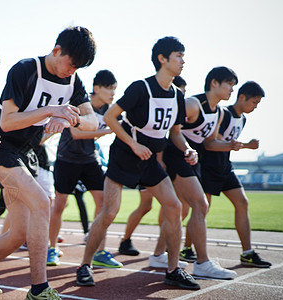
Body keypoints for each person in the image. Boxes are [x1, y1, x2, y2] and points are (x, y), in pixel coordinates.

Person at [0, 26, 98, 299]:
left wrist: (70, 117)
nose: (73, 70)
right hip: (0, 146)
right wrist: (51, 110)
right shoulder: (25, 70)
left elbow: (92, 120)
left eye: (79, 67)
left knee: (19, 232)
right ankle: (39, 290)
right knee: (43, 202)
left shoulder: (74, 81)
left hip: (28, 151)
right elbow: (7, 121)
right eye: (72, 63)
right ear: (57, 51)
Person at [76, 36, 201, 290]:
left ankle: (173, 269)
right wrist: (133, 144)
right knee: (109, 212)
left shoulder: (178, 96)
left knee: (174, 206)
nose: (183, 61)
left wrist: (188, 149)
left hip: (149, 160)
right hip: (125, 154)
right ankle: (85, 266)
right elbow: (111, 117)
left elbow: (175, 131)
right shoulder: (140, 88)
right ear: (162, 59)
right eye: (178, 56)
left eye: (183, 56)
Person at [159, 66, 240, 279]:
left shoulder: (220, 113)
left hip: (194, 158)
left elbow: (210, 143)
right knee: (200, 204)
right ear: (214, 83)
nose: (232, 89)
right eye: (229, 84)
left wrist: (232, 145)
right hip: (176, 154)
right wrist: (175, 155)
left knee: (180, 208)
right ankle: (203, 262)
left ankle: (158, 254)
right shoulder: (193, 105)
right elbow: (170, 130)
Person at [47, 70, 119, 268]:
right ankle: (51, 248)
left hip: (90, 160)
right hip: (66, 159)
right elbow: (78, 133)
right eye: (109, 88)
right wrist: (107, 130)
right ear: (97, 89)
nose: (113, 93)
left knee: (103, 202)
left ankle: (100, 251)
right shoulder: (81, 104)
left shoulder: (110, 109)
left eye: (115, 89)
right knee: (60, 204)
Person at [200, 81, 271, 268]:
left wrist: (245, 145)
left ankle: (247, 252)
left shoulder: (243, 119)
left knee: (242, 202)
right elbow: (212, 141)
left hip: (225, 167)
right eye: (254, 102)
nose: (255, 107)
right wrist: (246, 145)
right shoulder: (223, 114)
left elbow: (230, 144)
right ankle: (187, 248)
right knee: (202, 209)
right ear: (242, 97)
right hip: (208, 166)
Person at [119, 76, 187, 256]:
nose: (183, 95)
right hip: (148, 160)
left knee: (173, 205)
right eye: (181, 91)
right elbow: (158, 137)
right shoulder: (153, 99)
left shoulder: (178, 106)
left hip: (168, 162)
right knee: (147, 205)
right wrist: (159, 160)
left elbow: (173, 134)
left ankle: (164, 246)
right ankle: (126, 240)